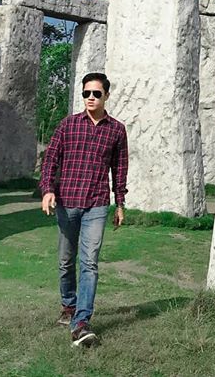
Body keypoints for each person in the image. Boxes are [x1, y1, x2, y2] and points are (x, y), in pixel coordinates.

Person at [39, 71, 129, 347]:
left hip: (97, 204)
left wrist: (120, 203)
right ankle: (69, 305)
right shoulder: (68, 125)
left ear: (106, 96)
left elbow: (120, 168)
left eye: (96, 94)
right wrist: (47, 190)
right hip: (67, 202)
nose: (90, 98)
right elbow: (51, 158)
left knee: (89, 262)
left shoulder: (116, 129)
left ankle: (81, 322)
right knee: (66, 260)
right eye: (86, 93)